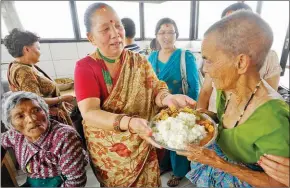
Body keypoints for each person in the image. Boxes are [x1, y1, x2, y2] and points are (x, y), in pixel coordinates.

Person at [74, 3, 196, 187]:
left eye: (118, 25)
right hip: (111, 155)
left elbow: (155, 89)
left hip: (143, 143)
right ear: (91, 38)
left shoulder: (138, 61)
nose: (115, 33)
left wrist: (168, 98)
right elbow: (89, 112)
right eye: (105, 28)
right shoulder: (85, 67)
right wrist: (130, 123)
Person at [177, 10, 289, 187]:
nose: (204, 69)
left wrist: (219, 163)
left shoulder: (273, 119)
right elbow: (224, 124)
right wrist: (201, 117)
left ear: (241, 63)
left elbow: (279, 184)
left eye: (209, 60)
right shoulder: (226, 89)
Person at [197, 2, 282, 112]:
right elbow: (205, 91)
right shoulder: (215, 59)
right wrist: (200, 119)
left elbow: (265, 102)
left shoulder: (269, 57)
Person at [148, 18, 199, 187]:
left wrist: (188, 110)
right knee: (161, 138)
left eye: (170, 32)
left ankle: (178, 172)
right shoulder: (152, 57)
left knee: (178, 139)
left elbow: (193, 85)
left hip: (180, 108)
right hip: (158, 108)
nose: (166, 37)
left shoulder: (185, 56)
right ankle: (163, 165)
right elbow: (148, 84)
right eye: (162, 32)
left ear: (176, 35)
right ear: (156, 35)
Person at [1, 91, 88, 187]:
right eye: (20, 116)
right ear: (11, 124)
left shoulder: (65, 137)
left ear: (46, 111)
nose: (32, 119)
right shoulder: (16, 134)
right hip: (34, 181)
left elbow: (76, 182)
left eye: (36, 110)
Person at [3, 28, 74, 125]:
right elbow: (34, 101)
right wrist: (61, 99)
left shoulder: (18, 65)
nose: (40, 52)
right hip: (47, 121)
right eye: (38, 48)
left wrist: (58, 103)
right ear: (26, 49)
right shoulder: (23, 71)